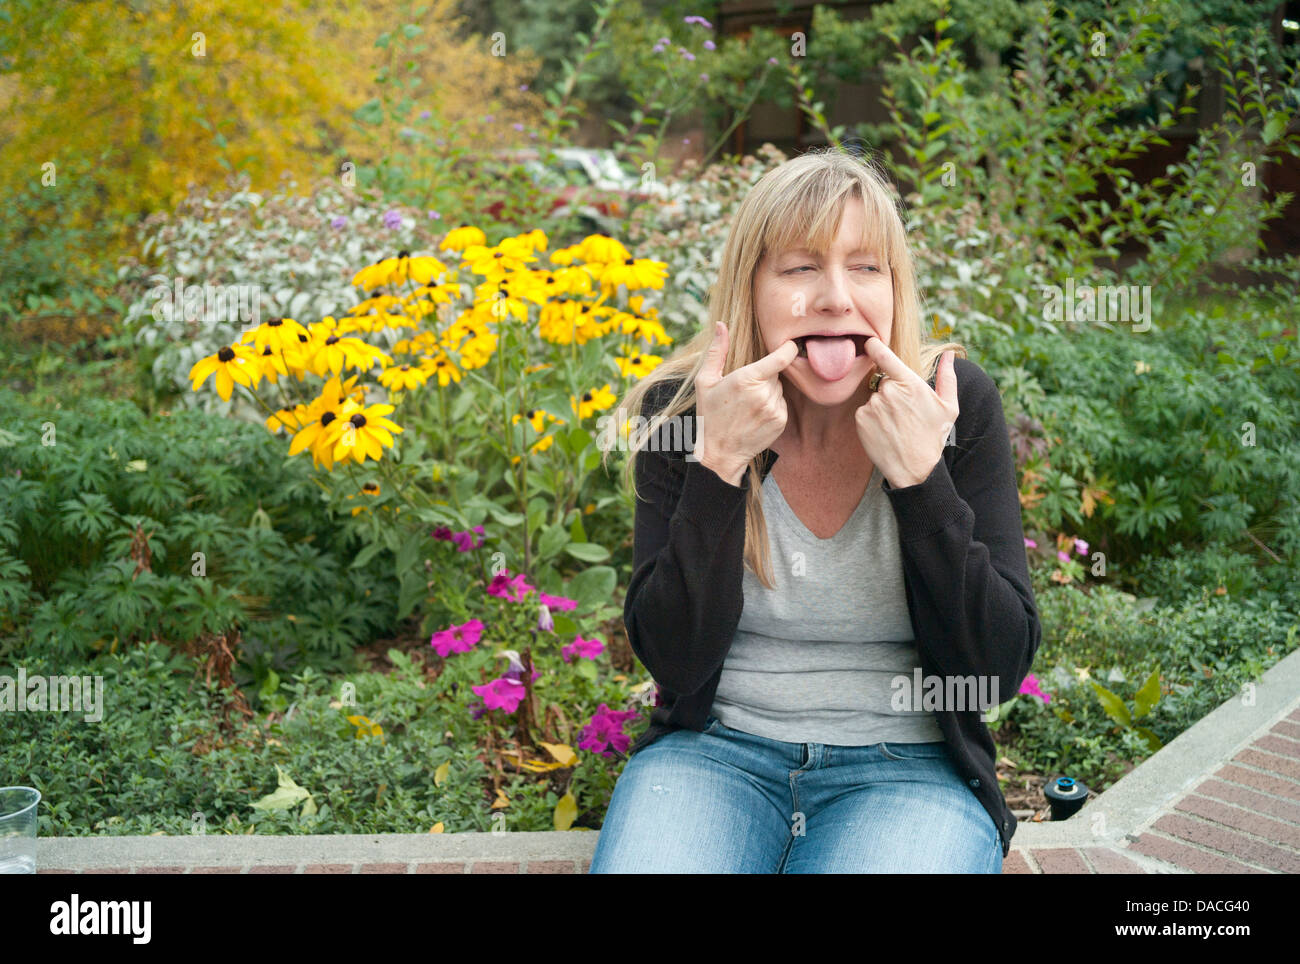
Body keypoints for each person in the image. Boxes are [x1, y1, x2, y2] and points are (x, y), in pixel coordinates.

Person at [590, 147, 1041, 873]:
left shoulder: (953, 407)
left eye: (865, 267)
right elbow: (672, 658)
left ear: (894, 287)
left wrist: (922, 481)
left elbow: (993, 670)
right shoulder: (682, 414)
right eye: (801, 267)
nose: (836, 297)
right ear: (752, 287)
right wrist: (719, 466)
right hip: (715, 756)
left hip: (912, 769)